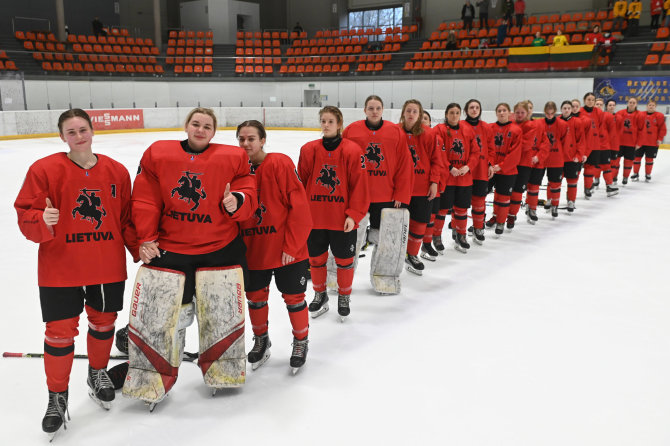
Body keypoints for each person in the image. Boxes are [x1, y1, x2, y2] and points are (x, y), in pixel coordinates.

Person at [14, 109, 139, 438]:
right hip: (61, 266)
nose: (79, 136)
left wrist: (141, 249)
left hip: (105, 263)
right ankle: (57, 396)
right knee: (58, 333)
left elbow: (126, 218)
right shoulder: (44, 170)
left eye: (83, 129)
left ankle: (97, 373)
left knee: (103, 323)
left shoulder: (116, 171)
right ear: (62, 137)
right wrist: (42, 221)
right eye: (71, 132)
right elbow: (25, 212)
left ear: (92, 130)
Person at [131, 107, 256, 397]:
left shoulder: (234, 157)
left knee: (218, 312)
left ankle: (222, 362)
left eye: (207, 126)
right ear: (186, 126)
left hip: (221, 248)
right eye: (196, 124)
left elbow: (248, 189)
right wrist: (147, 237)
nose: (201, 130)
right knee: (172, 314)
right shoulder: (159, 154)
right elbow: (146, 198)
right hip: (172, 251)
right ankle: (158, 366)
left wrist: (238, 200)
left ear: (214, 132)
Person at [236, 120, 312, 373]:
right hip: (253, 250)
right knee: (255, 298)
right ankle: (261, 340)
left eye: (251, 139)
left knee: (294, 298)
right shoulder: (235, 169)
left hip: (287, 250)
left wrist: (292, 245)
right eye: (242, 139)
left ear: (262, 140)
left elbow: (299, 207)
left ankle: (301, 341)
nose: (246, 144)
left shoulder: (279, 163)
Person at [298, 106, 369, 320]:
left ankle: (344, 296)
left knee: (344, 261)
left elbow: (360, 186)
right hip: (315, 218)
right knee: (316, 260)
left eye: (330, 121)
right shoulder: (308, 150)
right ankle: (320, 294)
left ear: (339, 124)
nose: (326, 125)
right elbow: (301, 183)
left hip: (342, 219)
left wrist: (354, 214)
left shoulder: (353, 150)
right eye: (323, 121)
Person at [342, 96, 412, 285]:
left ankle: (384, 277)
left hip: (385, 196)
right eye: (371, 108)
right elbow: (342, 163)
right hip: (358, 195)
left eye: (378, 108)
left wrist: (401, 194)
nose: (374, 111)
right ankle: (339, 276)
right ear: (364, 110)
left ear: (383, 110)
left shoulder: (395, 132)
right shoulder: (351, 130)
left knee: (384, 238)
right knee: (350, 237)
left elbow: (405, 165)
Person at [398, 99, 442, 274]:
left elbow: (437, 161)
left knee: (419, 223)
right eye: (408, 111)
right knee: (397, 225)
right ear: (403, 113)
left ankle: (413, 254)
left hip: (422, 187)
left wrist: (434, 182)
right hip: (400, 188)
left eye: (415, 111)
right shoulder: (394, 132)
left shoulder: (429, 134)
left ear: (420, 114)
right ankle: (396, 255)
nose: (411, 114)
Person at [432, 103, 479, 253]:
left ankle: (461, 234)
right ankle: (436, 236)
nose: (454, 115)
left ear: (460, 114)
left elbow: (475, 152)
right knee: (442, 209)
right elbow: (437, 151)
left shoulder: (468, 130)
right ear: (446, 114)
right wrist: (449, 167)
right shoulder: (439, 129)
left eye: (457, 113)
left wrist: (468, 166)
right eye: (451, 112)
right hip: (447, 177)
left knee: (462, 208)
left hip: (464, 178)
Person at [507, 100, 548, 227]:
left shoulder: (538, 125)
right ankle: (503, 214)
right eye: (527, 108)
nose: (528, 110)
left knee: (533, 187)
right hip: (515, 161)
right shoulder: (512, 123)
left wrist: (538, 156)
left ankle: (532, 208)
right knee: (509, 189)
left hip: (532, 161)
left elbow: (545, 143)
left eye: (530, 108)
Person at [486, 103, 523, 237]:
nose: (502, 113)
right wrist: (490, 164)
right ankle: (494, 217)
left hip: (507, 170)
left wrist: (501, 165)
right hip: (490, 169)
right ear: (496, 113)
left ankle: (501, 221)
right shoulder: (490, 128)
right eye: (499, 110)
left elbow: (515, 153)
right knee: (489, 196)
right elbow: (486, 148)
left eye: (504, 110)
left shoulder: (516, 130)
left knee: (503, 197)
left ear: (509, 113)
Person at [460, 99, 490, 244]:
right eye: (471, 107)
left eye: (477, 107)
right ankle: (458, 228)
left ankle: (478, 228)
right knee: (460, 202)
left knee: (479, 201)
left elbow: (491, 148)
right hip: (464, 171)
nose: (474, 110)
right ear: (466, 110)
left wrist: (491, 164)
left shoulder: (486, 127)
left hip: (481, 170)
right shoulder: (460, 126)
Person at [580, 93, 618, 198]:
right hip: (584, 145)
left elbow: (610, 132)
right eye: (597, 103)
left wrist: (607, 143)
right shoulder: (580, 112)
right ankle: (588, 185)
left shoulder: (603, 115)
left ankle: (606, 186)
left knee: (600, 166)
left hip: (601, 145)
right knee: (582, 168)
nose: (598, 105)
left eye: (601, 104)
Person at [559, 100, 586, 213]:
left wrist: (578, 155)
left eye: (568, 108)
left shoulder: (577, 122)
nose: (566, 110)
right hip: (558, 158)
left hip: (572, 158)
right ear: (561, 109)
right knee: (554, 182)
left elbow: (581, 141)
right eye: (564, 108)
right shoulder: (556, 121)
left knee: (572, 181)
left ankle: (571, 200)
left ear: (572, 110)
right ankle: (552, 200)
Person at [633, 100, 666, 181]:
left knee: (649, 159)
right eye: (650, 105)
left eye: (653, 105)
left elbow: (662, 129)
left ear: (655, 107)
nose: (651, 106)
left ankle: (648, 174)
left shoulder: (659, 116)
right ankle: (635, 173)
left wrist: (660, 138)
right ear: (647, 106)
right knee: (637, 158)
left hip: (652, 142)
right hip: (640, 142)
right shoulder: (640, 114)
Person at [614, 97, 641, 184]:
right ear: (627, 103)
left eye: (634, 102)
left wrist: (639, 142)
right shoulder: (620, 113)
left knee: (628, 162)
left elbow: (642, 130)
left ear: (636, 104)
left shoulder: (640, 115)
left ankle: (625, 177)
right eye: (630, 102)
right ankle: (614, 177)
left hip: (631, 143)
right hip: (619, 142)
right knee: (616, 161)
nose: (632, 104)